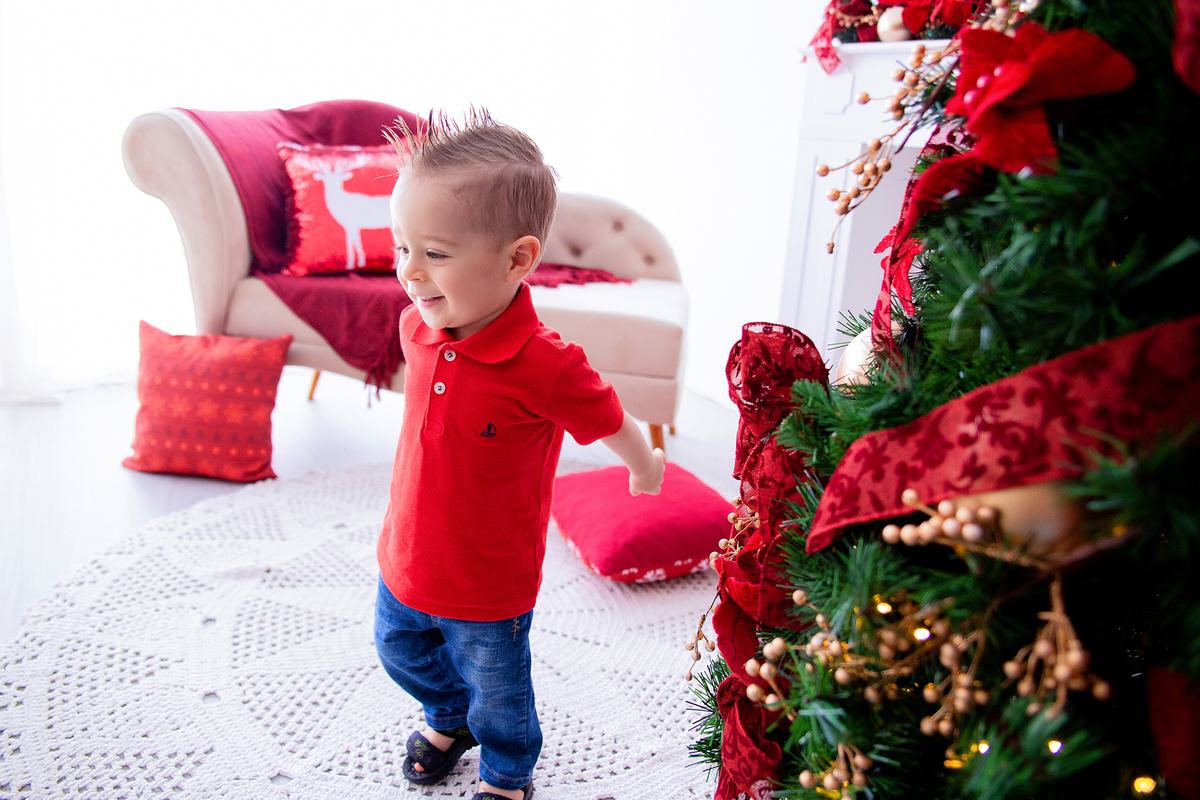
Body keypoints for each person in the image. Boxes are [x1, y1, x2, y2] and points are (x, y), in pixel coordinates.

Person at [373, 109, 665, 800]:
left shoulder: (546, 365)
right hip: (407, 553)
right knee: (399, 650)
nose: (410, 272)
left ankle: (507, 773)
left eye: (435, 253)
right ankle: (446, 716)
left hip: (487, 583)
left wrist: (643, 463)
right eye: (400, 246)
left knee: (499, 690)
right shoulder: (418, 326)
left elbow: (610, 416)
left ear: (518, 260)